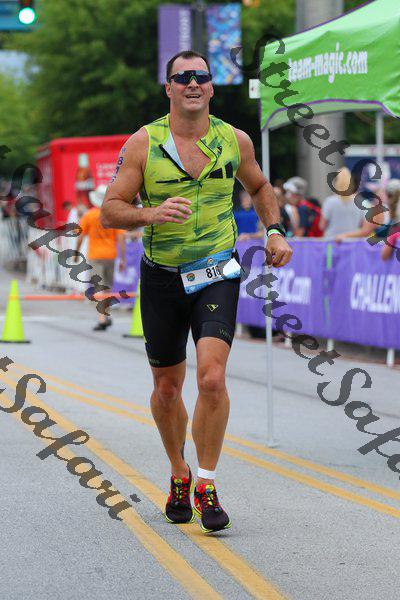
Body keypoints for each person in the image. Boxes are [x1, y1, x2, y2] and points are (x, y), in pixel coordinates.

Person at [101, 50, 292, 533]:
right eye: (182, 77)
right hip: (162, 276)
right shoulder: (145, 142)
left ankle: (206, 482)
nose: (192, 83)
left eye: (200, 76)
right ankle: (178, 472)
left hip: (217, 271)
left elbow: (260, 187)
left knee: (211, 379)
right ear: (168, 88)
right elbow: (110, 209)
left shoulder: (234, 139)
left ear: (210, 87)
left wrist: (274, 231)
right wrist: (151, 214)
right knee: (167, 389)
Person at [76, 184, 126, 331]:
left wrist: (76, 253)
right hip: (111, 255)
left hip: (96, 256)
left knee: (99, 288)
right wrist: (123, 258)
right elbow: (121, 238)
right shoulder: (113, 215)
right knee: (108, 288)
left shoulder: (89, 215)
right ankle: (105, 315)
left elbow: (80, 236)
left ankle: (102, 319)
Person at [321, 167, 364, 238]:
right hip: (352, 241)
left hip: (332, 241)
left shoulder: (329, 201)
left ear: (335, 182)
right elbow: (362, 225)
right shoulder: (359, 201)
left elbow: (322, 226)